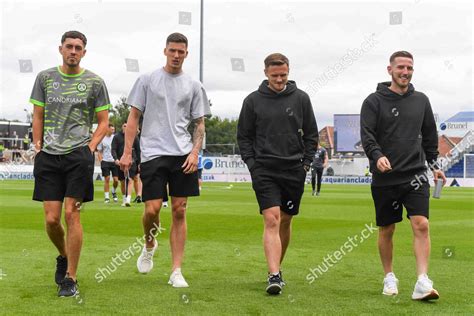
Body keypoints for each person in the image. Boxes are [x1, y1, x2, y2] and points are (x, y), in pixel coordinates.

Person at [119, 32, 211, 288]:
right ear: (165, 51)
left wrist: (195, 153)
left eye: (181, 51)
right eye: (173, 50)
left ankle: (176, 270)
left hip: (183, 153)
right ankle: (150, 243)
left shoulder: (194, 85)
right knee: (152, 209)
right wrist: (128, 152)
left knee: (180, 210)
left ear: (186, 53)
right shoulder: (147, 80)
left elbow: (199, 123)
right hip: (153, 153)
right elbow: (134, 117)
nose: (176, 55)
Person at [29, 30, 110, 297]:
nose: (73, 51)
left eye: (78, 47)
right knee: (52, 220)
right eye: (69, 47)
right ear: (60, 49)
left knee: (71, 214)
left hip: (78, 156)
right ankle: (63, 255)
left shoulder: (95, 82)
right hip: (49, 156)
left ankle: (70, 278)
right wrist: (38, 148)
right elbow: (37, 116)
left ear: (84, 52)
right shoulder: (44, 78)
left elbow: (103, 122)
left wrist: (89, 148)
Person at [360, 51, 446, 301]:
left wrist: (434, 164)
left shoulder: (421, 100)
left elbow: (430, 136)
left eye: (409, 68)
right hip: (385, 177)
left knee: (421, 224)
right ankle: (389, 276)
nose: (405, 72)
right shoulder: (373, 101)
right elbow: (367, 135)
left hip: (415, 175)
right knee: (387, 229)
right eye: (401, 67)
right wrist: (377, 156)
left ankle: (422, 281)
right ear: (390, 70)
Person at [237, 53, 318, 295]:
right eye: (275, 75)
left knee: (285, 220)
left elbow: (312, 135)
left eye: (283, 74)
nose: (280, 79)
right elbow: (244, 137)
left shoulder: (302, 99)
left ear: (289, 71)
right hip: (264, 170)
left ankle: (276, 267)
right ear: (265, 73)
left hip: (294, 170)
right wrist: (253, 164)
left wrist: (305, 164)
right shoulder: (252, 101)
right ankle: (274, 274)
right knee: (271, 218)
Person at [112, 123, 140, 207]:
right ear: (122, 127)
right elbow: (113, 149)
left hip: (132, 161)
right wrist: (116, 159)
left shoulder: (134, 137)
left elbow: (138, 151)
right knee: (123, 181)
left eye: (127, 126)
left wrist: (138, 162)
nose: (126, 127)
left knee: (130, 179)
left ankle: (128, 199)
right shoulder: (116, 137)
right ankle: (124, 198)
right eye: (124, 126)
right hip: (120, 162)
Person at [97, 124, 119, 203]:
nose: (113, 131)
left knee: (116, 180)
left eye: (114, 129)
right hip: (105, 161)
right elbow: (99, 151)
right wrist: (101, 161)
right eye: (112, 129)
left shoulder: (115, 138)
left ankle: (113, 191)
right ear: (107, 129)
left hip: (114, 161)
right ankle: (106, 197)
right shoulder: (102, 139)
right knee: (107, 179)